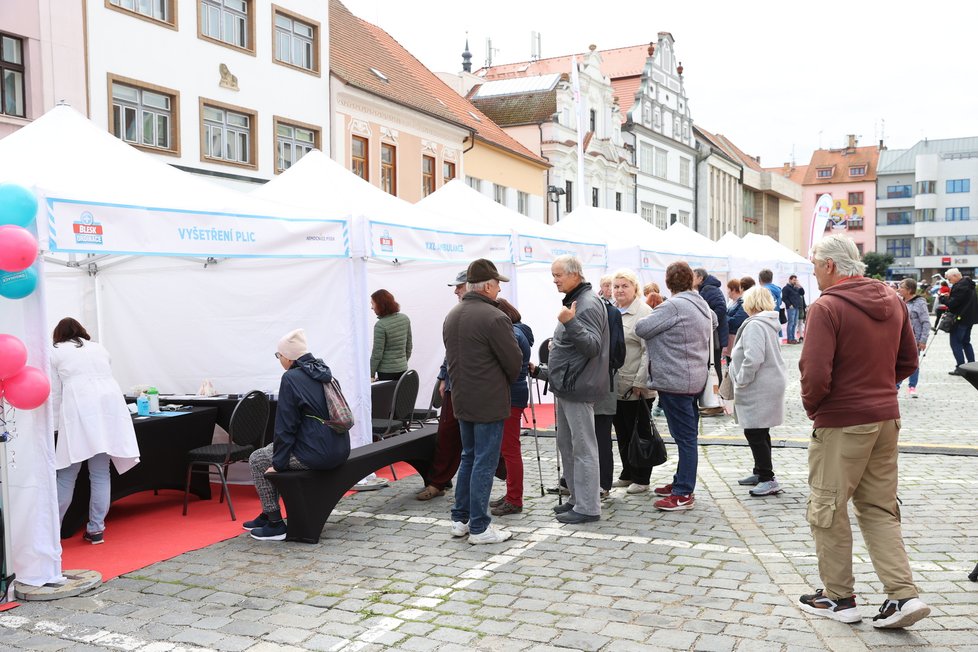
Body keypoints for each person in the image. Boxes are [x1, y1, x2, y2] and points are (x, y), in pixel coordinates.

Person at [798, 234, 929, 628]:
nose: (815, 272)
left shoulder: (826, 306)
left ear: (831, 266)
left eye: (816, 265)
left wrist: (816, 407)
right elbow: (908, 359)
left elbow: (815, 372)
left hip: (842, 420)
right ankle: (902, 596)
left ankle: (840, 598)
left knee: (828, 508)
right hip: (885, 417)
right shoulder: (892, 299)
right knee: (879, 508)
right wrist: (879, 389)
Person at [443, 259, 522, 544]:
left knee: (469, 458)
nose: (499, 288)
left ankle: (461, 519)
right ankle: (478, 526)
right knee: (483, 462)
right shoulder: (494, 317)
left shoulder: (453, 314)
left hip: (463, 398)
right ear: (488, 286)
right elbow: (514, 364)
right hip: (488, 400)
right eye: (498, 284)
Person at [246, 328, 351, 541]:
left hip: (316, 452)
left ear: (288, 356)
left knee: (257, 459)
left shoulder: (291, 378)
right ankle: (267, 513)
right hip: (338, 447)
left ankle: (275, 523)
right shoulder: (323, 371)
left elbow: (286, 427)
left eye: (279, 355)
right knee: (268, 451)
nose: (279, 360)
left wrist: (280, 463)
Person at [51, 318, 140, 545]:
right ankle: (96, 529)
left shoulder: (55, 351)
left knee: (67, 474)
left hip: (79, 412)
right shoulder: (98, 348)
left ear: (58, 335)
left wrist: (53, 426)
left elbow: (54, 392)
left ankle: (51, 533)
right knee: (100, 473)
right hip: (107, 411)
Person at [635, 262, 716, 512]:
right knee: (686, 436)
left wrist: (652, 308)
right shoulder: (700, 302)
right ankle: (680, 482)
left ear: (668, 283)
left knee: (685, 438)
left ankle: (683, 493)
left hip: (676, 379)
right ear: (692, 280)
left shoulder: (674, 305)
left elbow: (641, 328)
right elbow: (713, 322)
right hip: (692, 378)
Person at [548, 254, 609, 524]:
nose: (555, 280)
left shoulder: (588, 303)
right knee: (567, 444)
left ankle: (588, 506)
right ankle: (576, 497)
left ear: (575, 274)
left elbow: (593, 346)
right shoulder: (578, 301)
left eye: (558, 274)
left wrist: (569, 323)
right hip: (567, 385)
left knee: (583, 447)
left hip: (578, 385)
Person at [728, 286, 786, 497]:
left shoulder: (755, 325)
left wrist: (741, 380)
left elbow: (753, 358)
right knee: (760, 430)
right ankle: (760, 471)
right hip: (767, 383)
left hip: (758, 385)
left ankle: (767, 477)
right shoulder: (767, 322)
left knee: (754, 431)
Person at [416, 271, 467, 501]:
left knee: (486, 442)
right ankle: (439, 481)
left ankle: (511, 482)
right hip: (455, 386)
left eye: (459, 286)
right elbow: (451, 351)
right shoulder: (456, 314)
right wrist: (444, 376)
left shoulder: (489, 312)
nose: (456, 291)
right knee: (447, 434)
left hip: (478, 389)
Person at [610, 269, 655, 494]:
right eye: (616, 286)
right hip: (615, 385)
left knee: (640, 432)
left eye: (624, 286)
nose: (619, 290)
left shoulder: (643, 313)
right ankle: (628, 472)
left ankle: (642, 478)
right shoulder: (613, 311)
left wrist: (640, 382)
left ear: (635, 288)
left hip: (635, 386)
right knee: (623, 431)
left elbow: (648, 352)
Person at [489, 298, 533, 516]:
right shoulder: (518, 331)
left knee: (510, 450)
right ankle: (511, 495)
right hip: (511, 393)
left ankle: (515, 499)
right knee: (509, 449)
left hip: (509, 395)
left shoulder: (512, 333)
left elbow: (509, 366)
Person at [692, 268, 728, 412]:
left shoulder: (709, 289)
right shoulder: (706, 289)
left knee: (713, 367)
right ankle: (713, 401)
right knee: (711, 366)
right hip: (713, 335)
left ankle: (716, 402)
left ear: (700, 278)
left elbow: (720, 308)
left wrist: (708, 320)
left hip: (715, 336)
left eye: (693, 277)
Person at [941, 268, 977, 376]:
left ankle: (960, 368)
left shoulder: (960, 286)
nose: (949, 281)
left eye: (950, 279)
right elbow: (962, 301)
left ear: (956, 276)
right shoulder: (969, 284)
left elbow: (953, 304)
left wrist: (943, 299)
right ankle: (972, 367)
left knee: (956, 343)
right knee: (966, 342)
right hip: (969, 318)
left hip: (960, 319)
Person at [369, 289, 412, 381]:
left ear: (381, 305)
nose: (371, 307)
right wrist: (402, 362)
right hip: (403, 370)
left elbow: (377, 354)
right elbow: (409, 347)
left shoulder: (380, 325)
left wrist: (371, 374)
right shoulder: (405, 319)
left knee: (386, 395)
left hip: (386, 373)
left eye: (373, 304)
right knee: (400, 395)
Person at [896, 278, 929, 397]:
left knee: (913, 363)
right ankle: (896, 386)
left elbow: (925, 322)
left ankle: (912, 386)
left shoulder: (920, 303)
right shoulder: (899, 301)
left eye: (902, 287)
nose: (899, 289)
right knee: (897, 362)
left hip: (915, 338)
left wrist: (923, 340)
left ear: (909, 290)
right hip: (899, 338)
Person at [725, 279, 748, 352]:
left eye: (728, 289)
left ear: (733, 290)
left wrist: (723, 318)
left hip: (736, 337)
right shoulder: (731, 303)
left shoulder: (743, 303)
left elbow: (737, 321)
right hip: (730, 337)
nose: (727, 291)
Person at [781, 275, 805, 344]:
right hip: (791, 308)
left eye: (795, 280)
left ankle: (793, 338)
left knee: (795, 323)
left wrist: (799, 285)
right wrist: (789, 304)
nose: (795, 281)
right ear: (790, 280)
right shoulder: (786, 288)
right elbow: (784, 298)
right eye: (794, 280)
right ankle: (790, 339)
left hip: (797, 307)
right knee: (791, 323)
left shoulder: (796, 288)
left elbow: (802, 293)